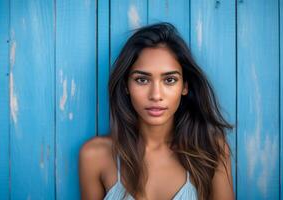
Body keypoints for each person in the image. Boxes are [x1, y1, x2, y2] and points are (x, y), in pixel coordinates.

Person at [79, 22, 235, 200]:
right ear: (126, 86)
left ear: (185, 86)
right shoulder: (95, 156)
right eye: (142, 80)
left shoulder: (211, 149)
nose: (156, 95)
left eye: (169, 80)